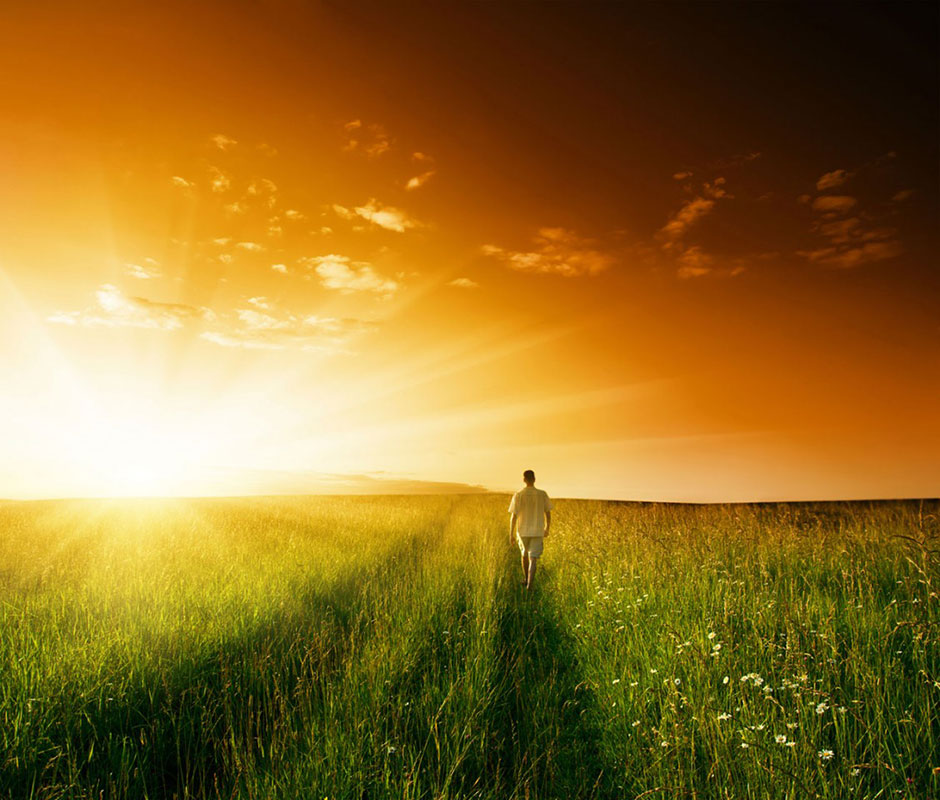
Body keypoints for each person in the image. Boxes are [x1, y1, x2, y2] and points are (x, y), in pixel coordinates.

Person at [508, 469, 553, 590]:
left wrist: (510, 534)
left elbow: (514, 516)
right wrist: (546, 528)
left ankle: (526, 579)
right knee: (533, 558)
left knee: (524, 555)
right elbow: (548, 514)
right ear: (534, 479)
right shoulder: (542, 494)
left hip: (522, 530)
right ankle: (530, 584)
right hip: (538, 531)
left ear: (524, 480)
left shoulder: (518, 495)